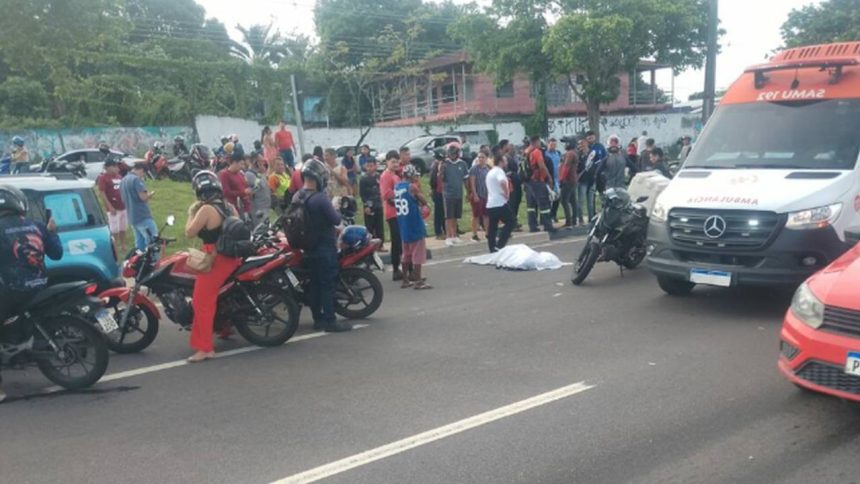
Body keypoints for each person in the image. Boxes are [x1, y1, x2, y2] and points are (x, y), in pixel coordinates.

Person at [0, 185, 63, 402]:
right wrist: (53, 232)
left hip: (14, 291)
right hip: (41, 285)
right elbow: (57, 254)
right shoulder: (36, 226)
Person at [183, 172, 244, 363]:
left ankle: (205, 348)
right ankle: (224, 327)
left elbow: (189, 233)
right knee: (217, 296)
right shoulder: (230, 207)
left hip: (214, 259)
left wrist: (191, 213)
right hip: (232, 257)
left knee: (201, 302)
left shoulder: (206, 210)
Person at [294, 160, 352, 332]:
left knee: (314, 285)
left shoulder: (297, 196)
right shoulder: (320, 199)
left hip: (307, 247)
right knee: (327, 284)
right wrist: (335, 208)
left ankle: (318, 319)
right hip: (325, 247)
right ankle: (330, 320)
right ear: (319, 178)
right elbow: (335, 220)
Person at [395, 165, 432, 290]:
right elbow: (424, 200)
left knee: (406, 254)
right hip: (414, 223)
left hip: (403, 224)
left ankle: (405, 280)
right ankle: (418, 282)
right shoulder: (412, 187)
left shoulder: (397, 187)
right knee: (418, 254)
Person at [120, 162, 157, 252]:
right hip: (142, 215)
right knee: (153, 241)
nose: (143, 176)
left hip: (132, 217)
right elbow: (143, 197)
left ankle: (139, 262)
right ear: (141, 170)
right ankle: (153, 263)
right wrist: (150, 194)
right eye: (143, 173)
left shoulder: (123, 180)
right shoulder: (136, 180)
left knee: (139, 244)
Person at [380, 151, 403, 280]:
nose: (395, 164)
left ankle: (402, 268)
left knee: (400, 241)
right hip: (392, 212)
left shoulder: (396, 175)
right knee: (396, 241)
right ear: (387, 162)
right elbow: (386, 194)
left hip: (400, 211)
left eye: (396, 162)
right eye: (392, 162)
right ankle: (395, 269)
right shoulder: (386, 176)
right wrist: (398, 195)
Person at [97, 159, 128, 255]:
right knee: (114, 228)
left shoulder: (119, 177)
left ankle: (123, 244)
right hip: (113, 207)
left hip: (123, 206)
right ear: (107, 167)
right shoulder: (103, 178)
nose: (116, 169)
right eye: (114, 166)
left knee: (123, 226)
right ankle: (115, 245)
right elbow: (102, 193)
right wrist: (109, 206)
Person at [524, 136, 554, 233]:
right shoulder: (536, 152)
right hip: (537, 181)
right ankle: (547, 225)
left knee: (531, 206)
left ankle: (532, 226)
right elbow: (541, 166)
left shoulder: (526, 151)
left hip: (528, 182)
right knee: (544, 204)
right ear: (537, 142)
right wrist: (549, 178)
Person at [440, 143, 469, 246]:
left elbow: (465, 179)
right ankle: (448, 236)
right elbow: (441, 178)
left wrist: (468, 192)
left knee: (455, 216)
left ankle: (454, 235)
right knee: (449, 216)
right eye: (450, 154)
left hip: (458, 193)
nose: (452, 156)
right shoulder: (445, 164)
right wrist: (441, 168)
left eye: (454, 154)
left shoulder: (462, 164)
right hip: (448, 193)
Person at [485, 154, 514, 253]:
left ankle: (492, 247)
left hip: (490, 203)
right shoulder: (499, 171)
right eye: (505, 160)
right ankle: (500, 244)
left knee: (492, 226)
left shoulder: (490, 172)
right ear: (501, 161)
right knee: (511, 221)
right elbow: (502, 181)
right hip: (499, 202)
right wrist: (506, 193)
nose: (506, 162)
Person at [359, 158, 386, 251]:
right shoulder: (363, 179)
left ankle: (381, 245)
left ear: (375, 166)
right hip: (369, 204)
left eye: (371, 166)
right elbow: (362, 194)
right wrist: (366, 205)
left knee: (379, 225)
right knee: (370, 226)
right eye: (368, 166)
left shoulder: (379, 176)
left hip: (378, 203)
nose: (369, 168)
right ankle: (370, 246)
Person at [500, 140, 523, 231]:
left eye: (514, 148)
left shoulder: (515, 158)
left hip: (517, 183)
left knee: (517, 202)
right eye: (511, 147)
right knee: (512, 204)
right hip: (511, 184)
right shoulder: (505, 158)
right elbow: (505, 171)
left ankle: (515, 221)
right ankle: (511, 224)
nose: (513, 149)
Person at [468, 150, 490, 242]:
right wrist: (475, 194)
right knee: (476, 215)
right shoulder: (474, 169)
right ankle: (474, 234)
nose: (481, 159)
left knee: (486, 215)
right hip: (477, 194)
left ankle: (488, 233)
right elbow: (472, 182)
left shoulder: (487, 169)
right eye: (479, 157)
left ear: (486, 159)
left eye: (483, 157)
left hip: (485, 194)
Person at [245, 154, 272, 225]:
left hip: (266, 206)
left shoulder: (259, 174)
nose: (263, 163)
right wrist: (262, 172)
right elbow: (257, 187)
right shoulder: (249, 174)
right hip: (258, 208)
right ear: (255, 162)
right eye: (261, 161)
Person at [559, 143, 579, 228]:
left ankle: (569, 221)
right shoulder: (574, 153)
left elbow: (566, 167)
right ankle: (574, 220)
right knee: (573, 201)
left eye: (566, 142)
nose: (564, 144)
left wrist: (562, 179)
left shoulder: (570, 154)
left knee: (564, 200)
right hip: (573, 180)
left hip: (567, 180)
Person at [428, 153, 446, 240]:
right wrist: (433, 188)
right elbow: (432, 180)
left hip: (442, 191)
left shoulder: (438, 165)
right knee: (438, 213)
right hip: (437, 191)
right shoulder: (435, 166)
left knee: (443, 212)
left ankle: (444, 230)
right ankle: (438, 232)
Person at [545, 138, 562, 222]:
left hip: (557, 179)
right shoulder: (545, 154)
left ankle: (554, 215)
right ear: (547, 144)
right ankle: (548, 217)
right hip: (549, 179)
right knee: (549, 198)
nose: (553, 146)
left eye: (554, 145)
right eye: (551, 145)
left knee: (557, 198)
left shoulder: (558, 153)